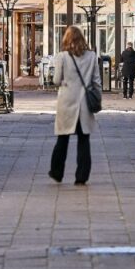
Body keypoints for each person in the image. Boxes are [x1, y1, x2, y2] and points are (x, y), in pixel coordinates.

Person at [50, 26, 101, 186]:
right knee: (84, 140)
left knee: (63, 139)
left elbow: (56, 80)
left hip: (67, 102)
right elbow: (97, 82)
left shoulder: (62, 57)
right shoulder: (92, 56)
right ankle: (82, 176)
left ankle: (57, 172)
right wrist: (97, 99)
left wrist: (65, 82)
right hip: (85, 103)